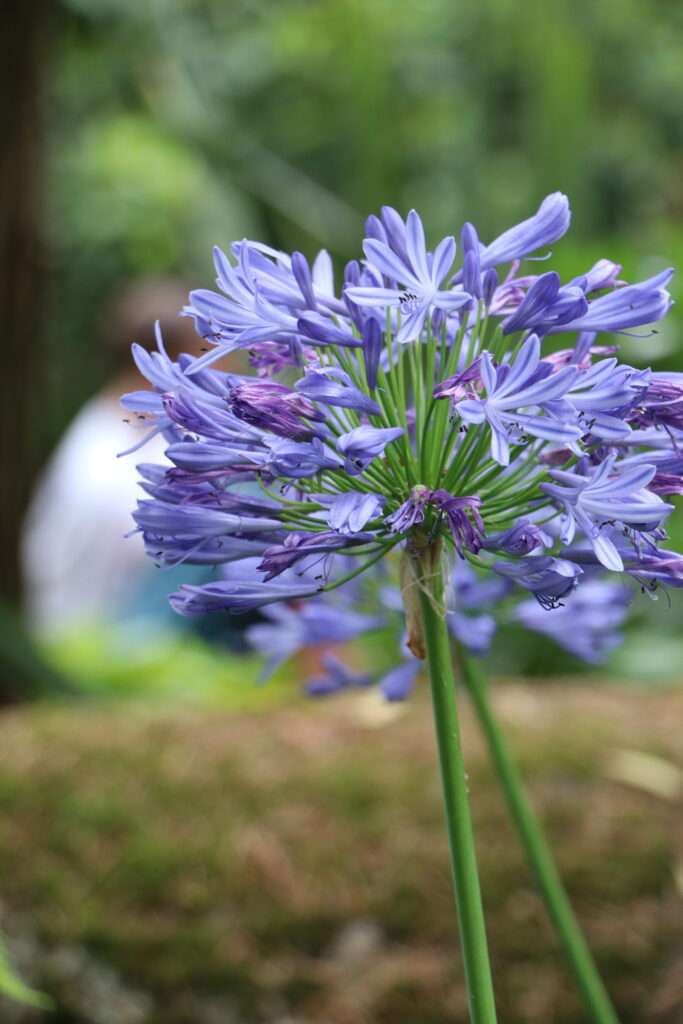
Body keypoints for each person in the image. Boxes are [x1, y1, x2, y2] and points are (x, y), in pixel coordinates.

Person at [22, 278, 206, 638]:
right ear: (155, 365)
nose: (227, 369)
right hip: (102, 633)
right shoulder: (103, 455)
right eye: (205, 353)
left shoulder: (106, 421)